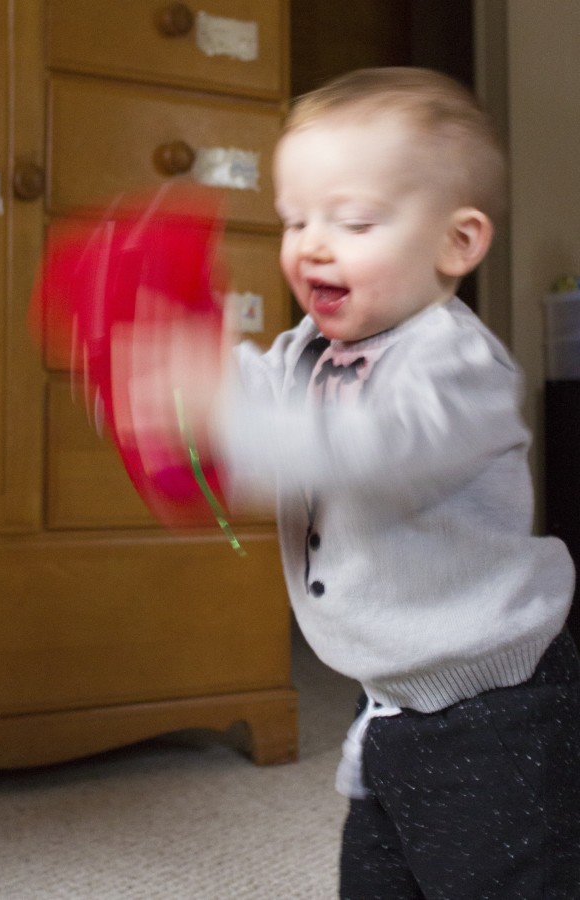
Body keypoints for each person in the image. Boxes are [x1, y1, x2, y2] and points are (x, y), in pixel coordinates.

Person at [210, 67, 580, 898]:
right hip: (388, 694)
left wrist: (224, 415)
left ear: (458, 242)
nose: (311, 243)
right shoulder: (309, 346)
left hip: (493, 705)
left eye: (354, 220)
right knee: (377, 877)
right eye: (295, 219)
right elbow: (252, 392)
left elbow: (367, 447)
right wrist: (180, 376)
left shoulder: (454, 367)